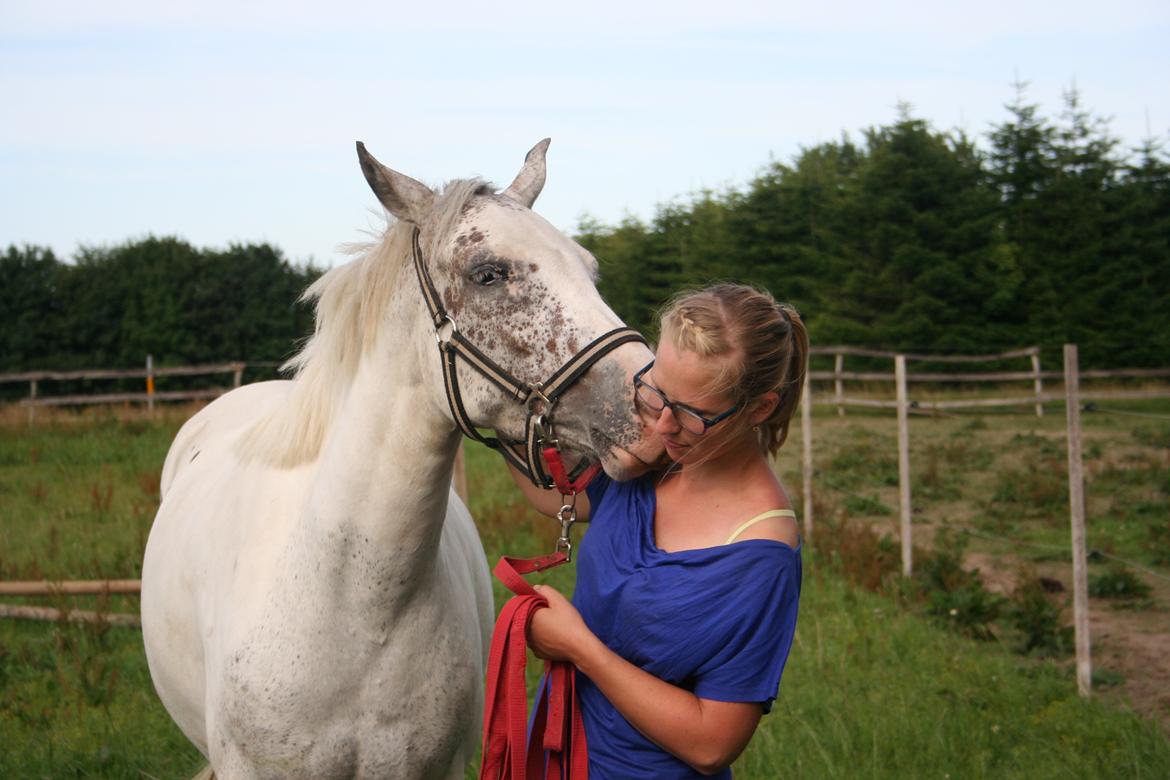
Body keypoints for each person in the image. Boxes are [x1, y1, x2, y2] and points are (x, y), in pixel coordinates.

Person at [507, 283, 809, 778]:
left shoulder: (759, 555)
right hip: (557, 756)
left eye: (693, 414)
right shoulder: (655, 461)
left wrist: (580, 648)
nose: (664, 423)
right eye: (656, 392)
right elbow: (556, 497)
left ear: (760, 408)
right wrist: (500, 411)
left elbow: (712, 745)